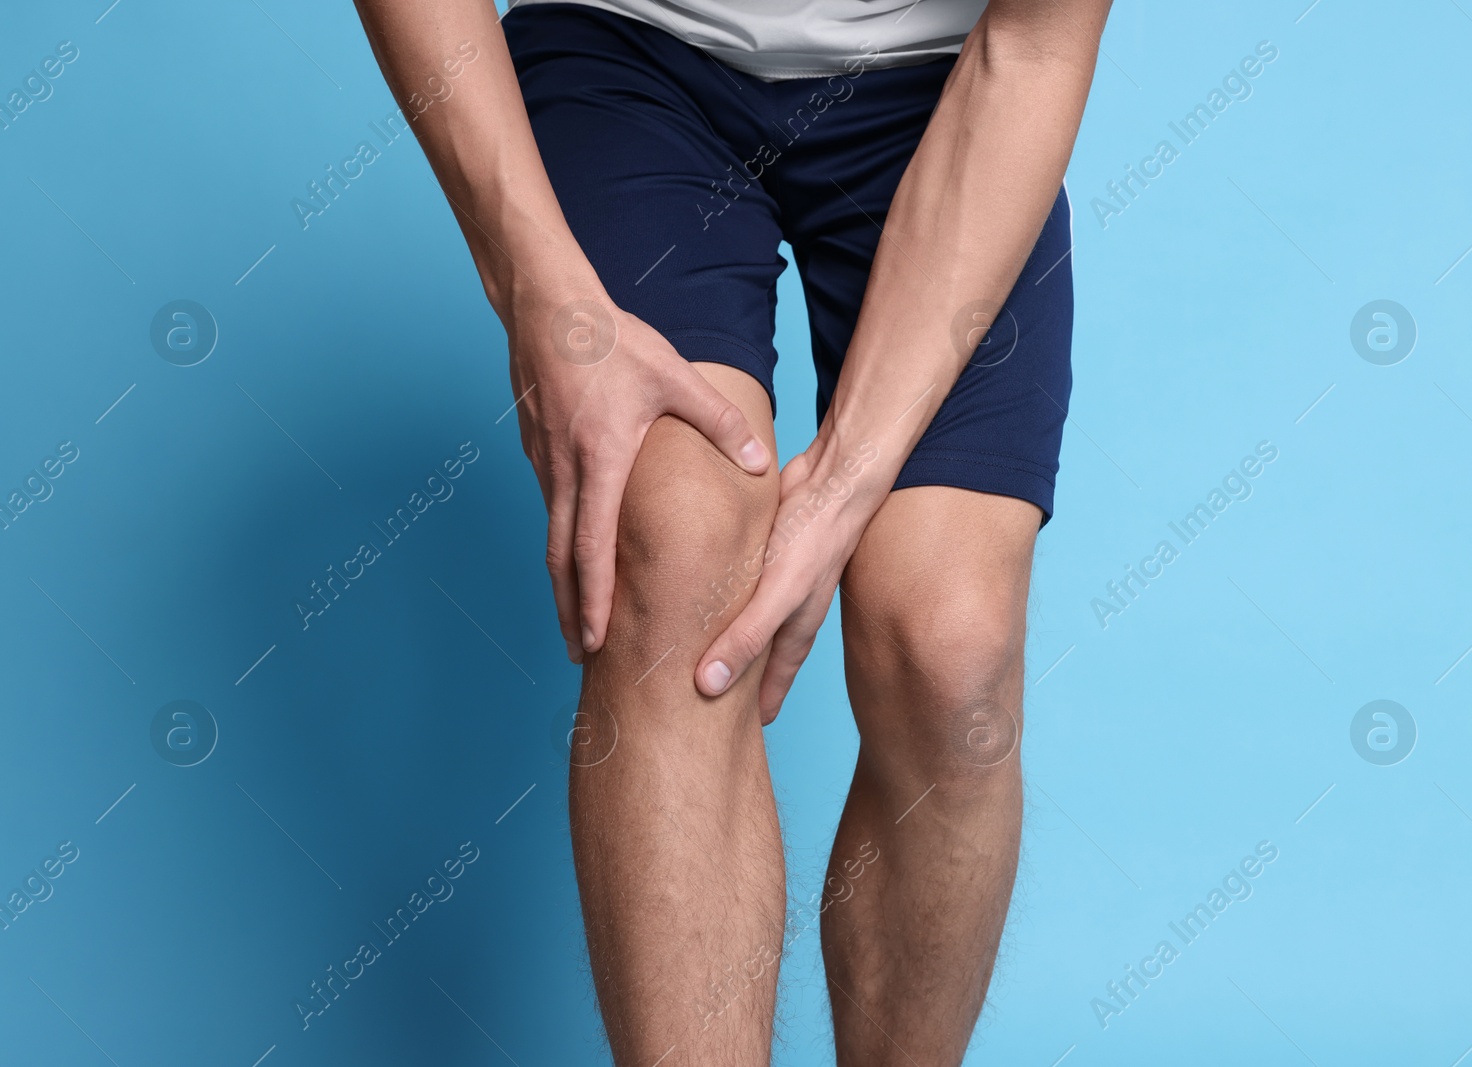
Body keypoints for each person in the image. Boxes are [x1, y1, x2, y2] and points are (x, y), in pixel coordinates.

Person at [350, 0, 1110, 1061]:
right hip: (629, 54)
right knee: (676, 550)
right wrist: (537, 291)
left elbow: (1033, 44)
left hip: (945, 89)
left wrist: (845, 480)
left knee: (951, 651)